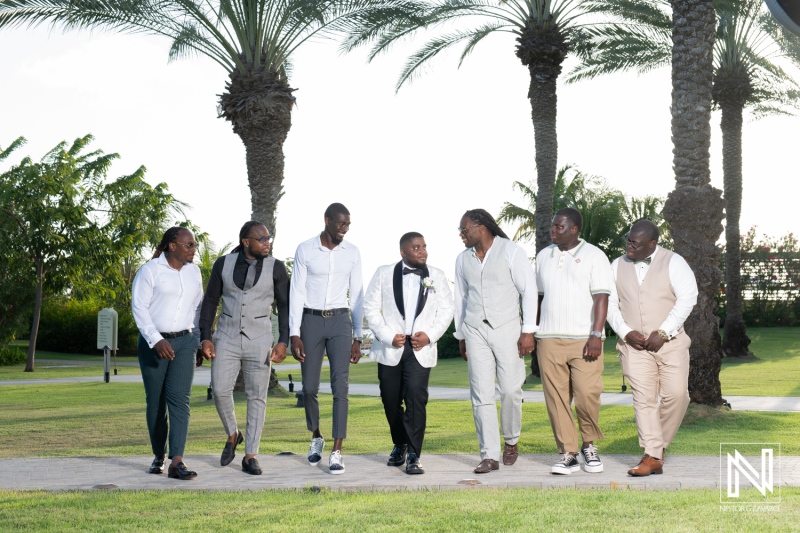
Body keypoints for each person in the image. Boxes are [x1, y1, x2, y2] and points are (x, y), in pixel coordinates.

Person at [607, 220, 698, 476]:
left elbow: (688, 298)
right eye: (628, 240)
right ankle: (652, 455)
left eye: (636, 243)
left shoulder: (674, 262)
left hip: (670, 343)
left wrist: (663, 331)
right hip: (633, 346)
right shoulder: (616, 265)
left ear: (652, 244)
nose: (630, 246)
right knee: (644, 400)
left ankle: (656, 448)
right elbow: (610, 304)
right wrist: (625, 332)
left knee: (678, 395)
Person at [198, 221, 289, 475]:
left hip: (260, 338)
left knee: (257, 395)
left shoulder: (277, 268)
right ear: (246, 241)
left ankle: (250, 455)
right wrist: (205, 336)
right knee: (219, 389)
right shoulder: (222, 264)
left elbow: (285, 306)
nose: (267, 242)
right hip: (226, 335)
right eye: (261, 239)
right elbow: (211, 301)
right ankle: (232, 433)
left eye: (268, 238)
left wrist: (284, 341)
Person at [454, 209, 538, 474]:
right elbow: (461, 298)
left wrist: (528, 331)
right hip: (475, 329)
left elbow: (529, 291)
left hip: (508, 329)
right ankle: (489, 455)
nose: (461, 236)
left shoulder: (511, 251)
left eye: (464, 230)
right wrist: (461, 335)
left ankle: (511, 441)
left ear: (480, 227)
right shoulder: (462, 259)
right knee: (481, 393)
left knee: (511, 390)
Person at [364, 232, 454, 475]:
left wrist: (430, 335)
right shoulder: (383, 273)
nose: (423, 251)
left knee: (416, 398)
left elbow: (447, 310)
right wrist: (386, 335)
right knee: (390, 400)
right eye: (416, 248)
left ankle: (414, 454)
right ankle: (400, 442)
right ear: (403, 252)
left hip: (420, 348)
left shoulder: (437, 276)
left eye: (424, 247)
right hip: (391, 347)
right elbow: (370, 307)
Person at [535, 208, 613, 475]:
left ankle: (588, 446)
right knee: (556, 399)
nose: (552, 230)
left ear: (574, 229)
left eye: (559, 226)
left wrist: (596, 334)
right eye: (553, 225)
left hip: (584, 339)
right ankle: (568, 453)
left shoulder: (595, 256)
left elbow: (601, 297)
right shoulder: (544, 256)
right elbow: (538, 297)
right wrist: (532, 331)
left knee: (587, 394)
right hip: (548, 338)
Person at [290, 203, 364, 475]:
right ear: (327, 220)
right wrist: (294, 333)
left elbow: (357, 294)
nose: (344, 228)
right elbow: (296, 291)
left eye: (348, 225)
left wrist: (359, 336)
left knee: (340, 387)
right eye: (340, 223)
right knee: (309, 387)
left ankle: (337, 450)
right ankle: (316, 435)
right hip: (310, 321)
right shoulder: (305, 249)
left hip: (341, 321)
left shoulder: (352, 253)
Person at [131, 227, 203, 480]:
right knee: (156, 402)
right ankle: (159, 454)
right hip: (154, 344)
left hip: (184, 343)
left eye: (194, 245)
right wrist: (156, 339)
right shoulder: (150, 271)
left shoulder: (194, 273)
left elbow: (197, 307)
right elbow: (139, 308)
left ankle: (177, 461)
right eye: (189, 245)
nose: (194, 249)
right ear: (172, 246)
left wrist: (197, 340)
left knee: (180, 401)